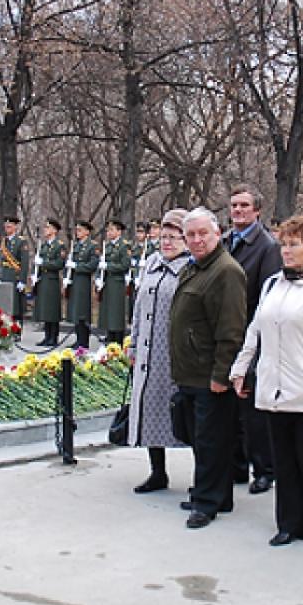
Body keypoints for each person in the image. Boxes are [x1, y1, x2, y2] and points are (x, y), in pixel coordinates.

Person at [231, 215, 303, 545]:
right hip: (274, 390)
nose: (286, 250)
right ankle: (290, 524)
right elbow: (255, 331)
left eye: (294, 244)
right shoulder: (272, 285)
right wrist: (241, 369)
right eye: (283, 243)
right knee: (284, 464)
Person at [171, 208, 248, 529]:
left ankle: (206, 502)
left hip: (209, 375)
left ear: (218, 234)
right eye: (191, 235)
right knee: (200, 438)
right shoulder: (194, 267)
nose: (197, 239)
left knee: (211, 441)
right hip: (190, 372)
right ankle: (217, 494)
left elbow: (231, 329)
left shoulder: (226, 271)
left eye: (203, 233)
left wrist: (221, 375)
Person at [128, 209, 191, 493]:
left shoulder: (191, 267)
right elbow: (138, 307)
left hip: (174, 354)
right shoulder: (152, 263)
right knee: (150, 411)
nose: (166, 242)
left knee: (183, 414)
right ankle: (157, 471)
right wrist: (133, 342)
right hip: (147, 353)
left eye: (173, 237)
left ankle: (202, 478)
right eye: (163, 237)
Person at [227, 184, 283, 493]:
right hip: (226, 334)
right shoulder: (225, 241)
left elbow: (267, 295)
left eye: (244, 206)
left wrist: (257, 341)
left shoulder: (267, 246)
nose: (238, 210)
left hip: (252, 334)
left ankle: (264, 469)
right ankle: (236, 465)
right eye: (234, 205)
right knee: (231, 408)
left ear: (257, 211)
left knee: (252, 409)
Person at [65, 220, 100, 349]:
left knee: (82, 311)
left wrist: (77, 266)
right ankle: (78, 339)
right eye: (77, 230)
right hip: (75, 280)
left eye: (80, 230)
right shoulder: (76, 245)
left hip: (83, 281)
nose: (77, 232)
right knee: (76, 310)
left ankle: (84, 341)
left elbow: (92, 265)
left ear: (87, 232)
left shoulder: (92, 246)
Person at [31, 219, 66, 346]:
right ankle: (47, 336)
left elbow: (59, 264)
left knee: (52, 310)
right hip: (43, 279)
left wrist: (44, 263)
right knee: (45, 309)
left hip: (52, 280)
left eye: (48, 227)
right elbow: (37, 262)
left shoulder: (59, 245)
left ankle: (53, 337)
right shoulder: (44, 245)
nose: (45, 230)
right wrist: (34, 274)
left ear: (54, 230)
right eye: (45, 227)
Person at [98, 220, 131, 346]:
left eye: (112, 230)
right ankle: (109, 336)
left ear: (119, 231)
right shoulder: (107, 246)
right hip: (107, 282)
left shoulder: (124, 246)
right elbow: (101, 264)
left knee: (116, 312)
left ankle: (118, 340)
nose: (109, 232)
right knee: (108, 311)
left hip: (117, 282)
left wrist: (108, 266)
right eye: (108, 230)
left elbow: (125, 265)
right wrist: (98, 278)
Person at [0, 217, 29, 321]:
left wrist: (22, 280)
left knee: (15, 308)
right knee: (4, 307)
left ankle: (16, 328)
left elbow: (24, 262)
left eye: (10, 226)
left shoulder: (21, 242)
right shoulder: (3, 241)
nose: (7, 227)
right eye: (6, 226)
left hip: (14, 277)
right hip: (3, 276)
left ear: (15, 227)